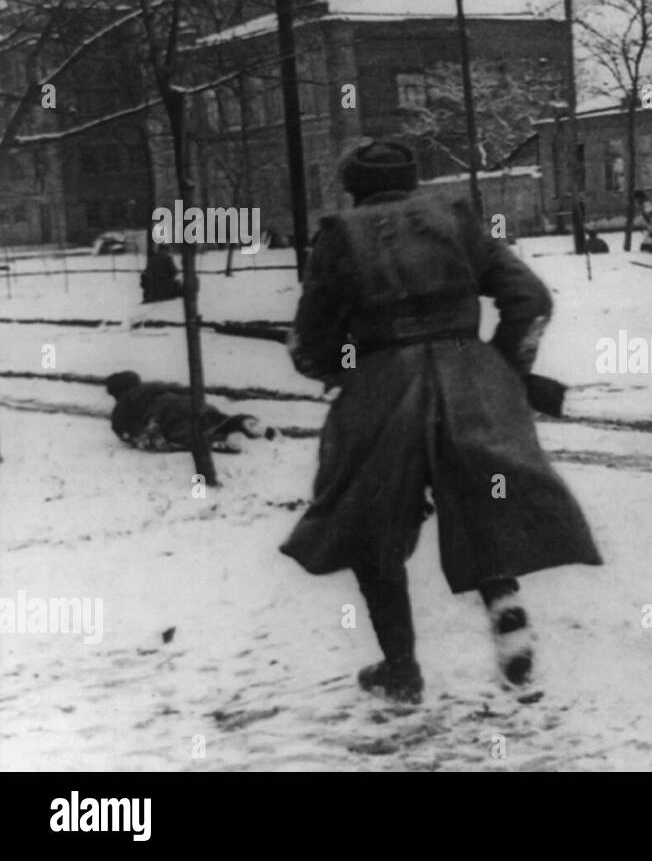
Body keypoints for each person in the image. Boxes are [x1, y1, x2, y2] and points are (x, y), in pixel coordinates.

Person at [280, 139, 602, 703]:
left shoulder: (339, 236)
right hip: (471, 380)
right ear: (413, 180)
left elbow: (309, 345)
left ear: (352, 187)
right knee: (482, 502)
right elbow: (530, 299)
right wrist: (500, 368)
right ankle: (504, 607)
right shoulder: (456, 219)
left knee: (369, 526)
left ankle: (401, 670)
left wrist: (346, 369)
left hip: (381, 394)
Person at [106, 370, 275, 453]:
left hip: (165, 416)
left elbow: (120, 427)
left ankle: (218, 441)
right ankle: (242, 422)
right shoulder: (152, 387)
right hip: (187, 402)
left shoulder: (123, 402)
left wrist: (134, 438)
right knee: (214, 418)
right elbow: (179, 388)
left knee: (183, 434)